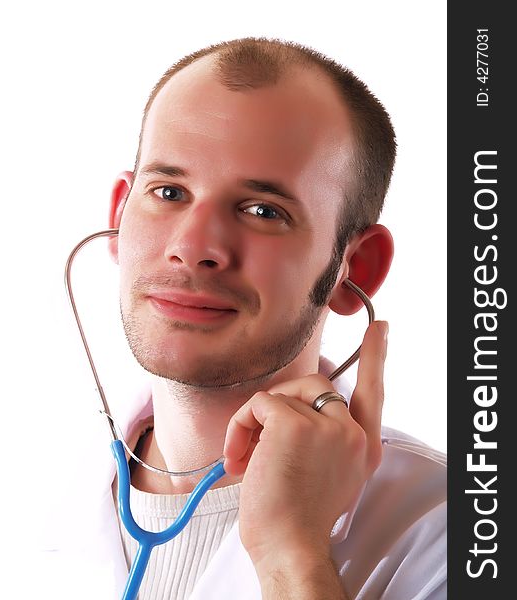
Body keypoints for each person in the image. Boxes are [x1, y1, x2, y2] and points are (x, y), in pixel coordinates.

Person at [60, 37, 446, 599]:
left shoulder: (451, 532)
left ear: (354, 268)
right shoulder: (27, 496)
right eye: (168, 192)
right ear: (120, 215)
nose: (192, 247)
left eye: (263, 211)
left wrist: (293, 556)